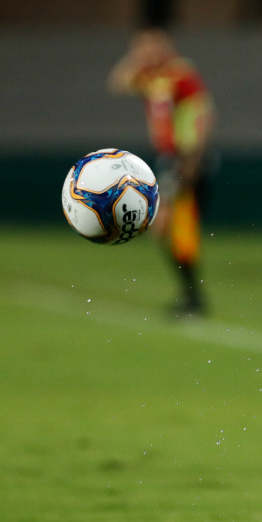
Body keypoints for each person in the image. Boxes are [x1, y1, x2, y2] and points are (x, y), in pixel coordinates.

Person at [108, 29, 213, 317]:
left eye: (149, 45)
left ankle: (193, 299)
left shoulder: (180, 73)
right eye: (140, 47)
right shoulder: (150, 77)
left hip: (184, 157)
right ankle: (192, 296)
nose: (146, 51)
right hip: (168, 158)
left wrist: (194, 157)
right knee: (167, 228)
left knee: (171, 226)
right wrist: (136, 57)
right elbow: (117, 83)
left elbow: (203, 113)